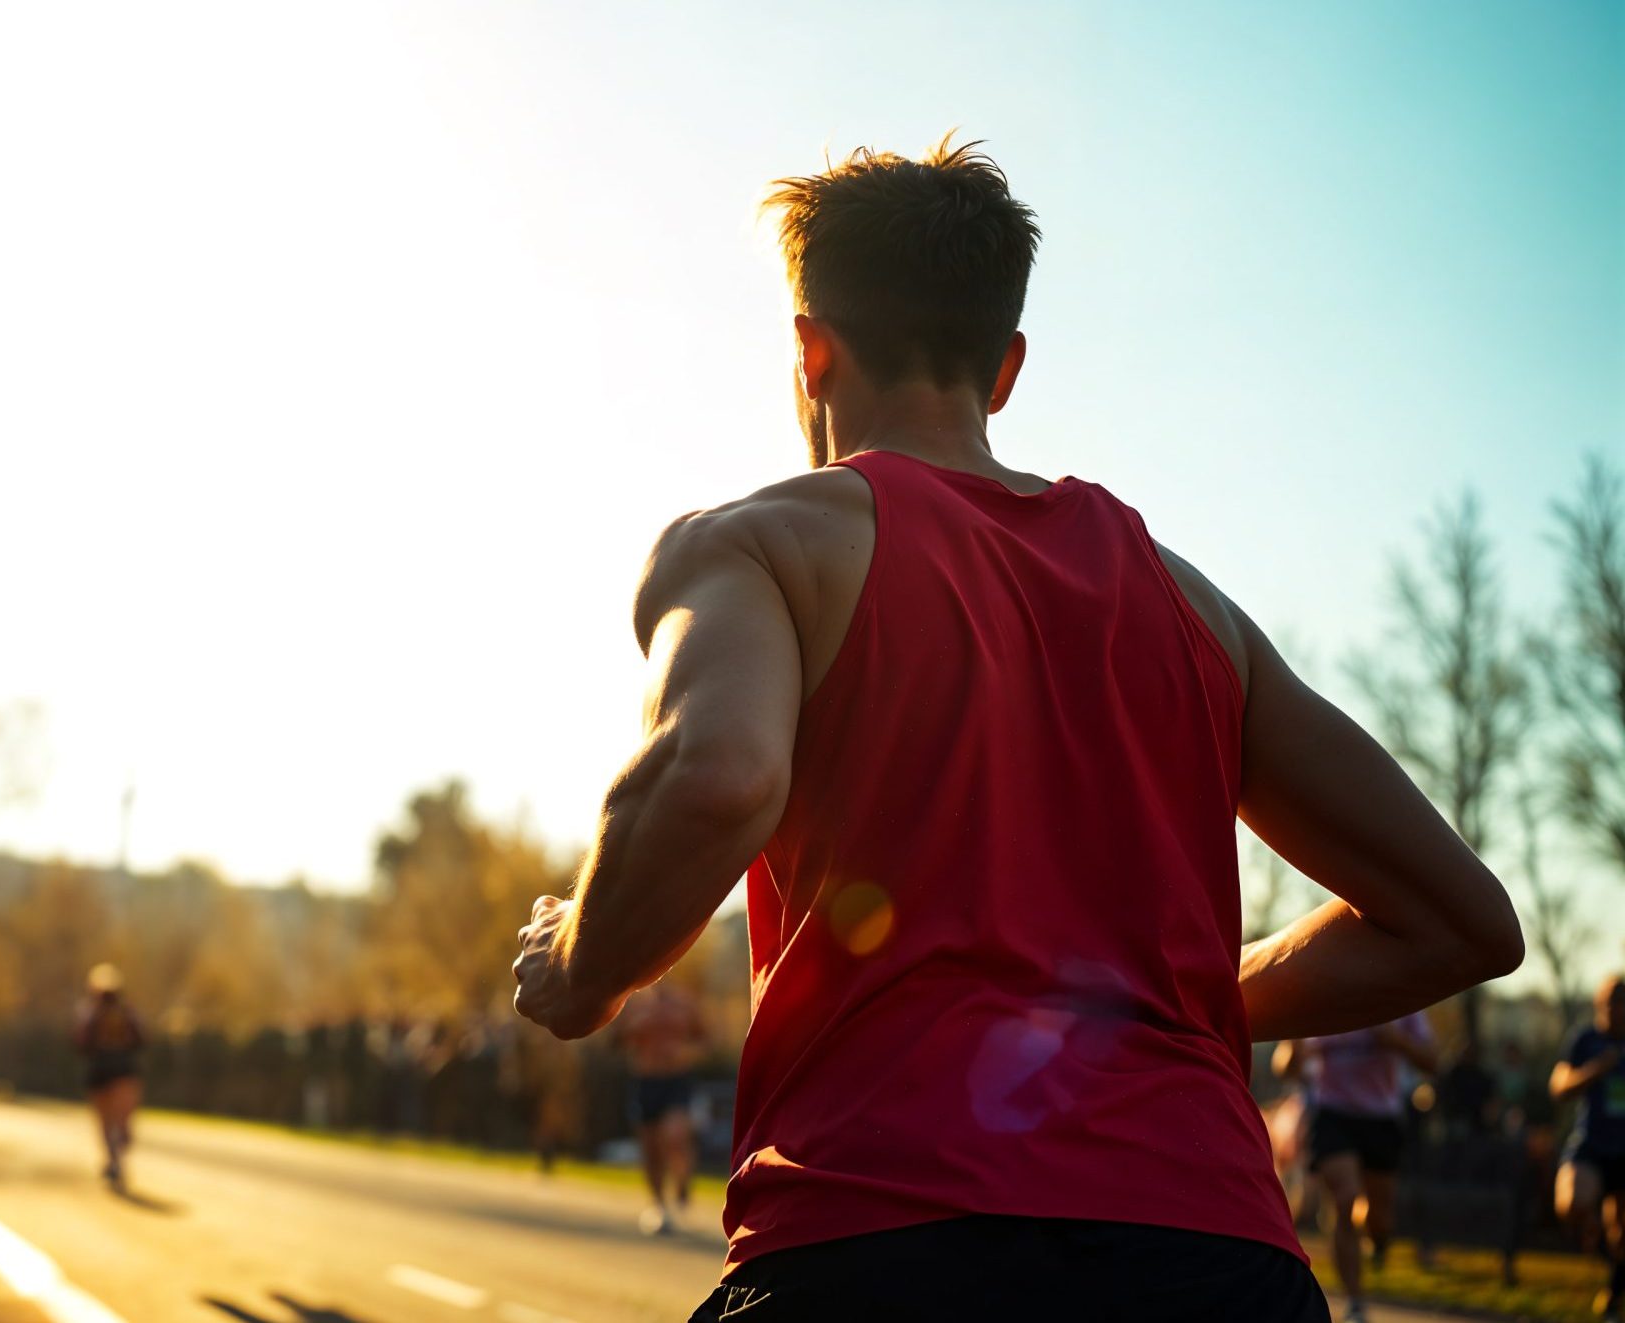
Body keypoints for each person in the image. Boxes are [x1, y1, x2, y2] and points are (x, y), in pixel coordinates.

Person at [508, 137, 1522, 1322]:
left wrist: (581, 968)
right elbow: (1459, 922)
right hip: (1219, 1263)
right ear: (1007, 369)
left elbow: (718, 777)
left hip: (886, 1238)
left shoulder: (759, 546)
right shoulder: (1191, 604)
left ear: (806, 347)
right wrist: (1159, 1002)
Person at [1278, 1014, 1438, 1319]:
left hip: (1382, 1118)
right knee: (1344, 1198)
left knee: (1381, 1221)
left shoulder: (1400, 998)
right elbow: (1285, 1069)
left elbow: (1433, 1061)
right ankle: (1356, 1303)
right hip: (1332, 1115)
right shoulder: (1321, 998)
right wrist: (1293, 1047)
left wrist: (1394, 1040)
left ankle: (1376, 1239)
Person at [1554, 975, 1625, 1321]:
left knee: (1622, 1234)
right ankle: (1593, 1228)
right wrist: (1596, 1071)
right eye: (1611, 1002)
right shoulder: (1587, 1040)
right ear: (1601, 1005)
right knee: (1572, 1203)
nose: (1617, 1010)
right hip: (1591, 1146)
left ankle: (1613, 1294)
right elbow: (1559, 1087)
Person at [618, 981, 709, 1234]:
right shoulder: (633, 1003)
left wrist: (686, 1053)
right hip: (646, 1082)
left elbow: (706, 1042)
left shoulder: (685, 1003)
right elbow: (616, 1041)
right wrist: (632, 1029)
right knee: (649, 1146)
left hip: (676, 1081)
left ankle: (682, 1183)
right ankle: (659, 1206)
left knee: (675, 1135)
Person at [74, 964, 144, 1188]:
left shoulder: (92, 1011)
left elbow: (81, 1042)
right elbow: (142, 1039)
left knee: (108, 1121)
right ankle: (115, 1158)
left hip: (105, 1068)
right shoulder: (125, 1011)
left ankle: (114, 1158)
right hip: (120, 1067)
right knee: (116, 1120)